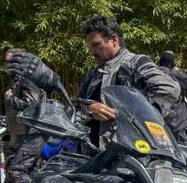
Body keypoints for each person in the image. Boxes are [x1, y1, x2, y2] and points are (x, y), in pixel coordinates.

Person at [77, 15, 179, 147]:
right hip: (95, 155)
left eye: (96, 45)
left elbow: (169, 88)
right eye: (90, 47)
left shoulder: (135, 63)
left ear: (114, 40)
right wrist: (90, 109)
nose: (92, 52)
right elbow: (76, 104)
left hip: (129, 154)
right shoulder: (94, 75)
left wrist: (131, 116)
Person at [1, 48, 63, 183]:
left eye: (11, 61)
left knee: (17, 172)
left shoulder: (27, 81)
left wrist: (10, 99)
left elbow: (32, 105)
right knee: (29, 171)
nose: (8, 65)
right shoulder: (18, 81)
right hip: (22, 134)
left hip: (32, 134)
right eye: (7, 62)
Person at [158, 51, 187, 141]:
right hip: (175, 125)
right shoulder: (176, 75)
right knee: (181, 151)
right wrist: (182, 71)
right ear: (172, 64)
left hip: (155, 121)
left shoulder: (152, 73)